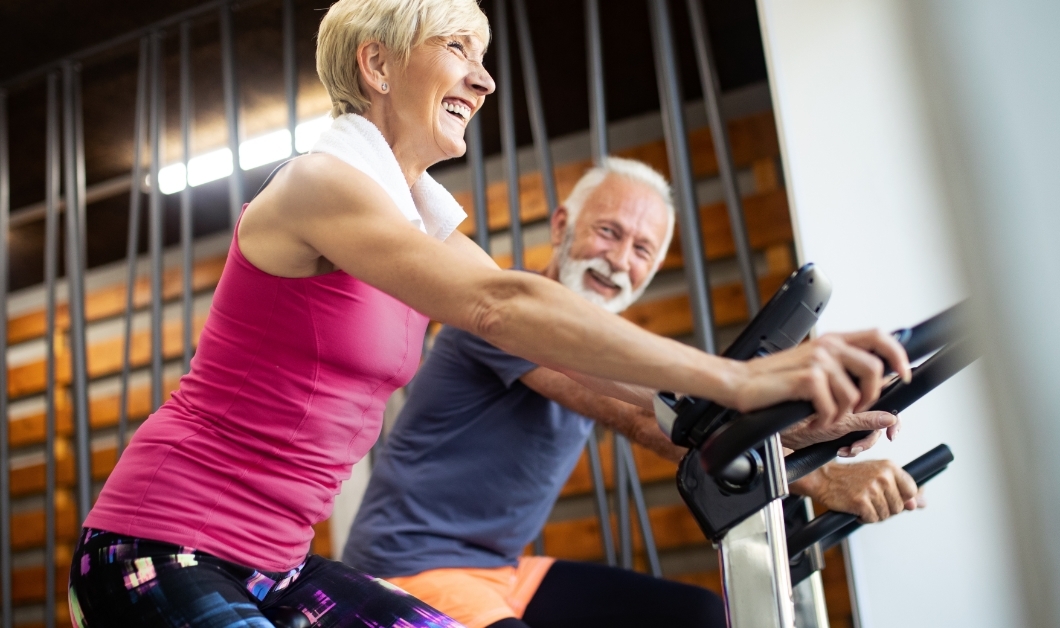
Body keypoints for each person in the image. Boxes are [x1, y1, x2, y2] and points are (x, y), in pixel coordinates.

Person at [67, 0, 911, 625]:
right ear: (379, 65)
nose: (485, 76)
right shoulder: (321, 185)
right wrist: (741, 373)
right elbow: (500, 303)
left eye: (486, 52)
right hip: (161, 544)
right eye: (459, 46)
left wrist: (770, 420)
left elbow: (564, 336)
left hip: (280, 563)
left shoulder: (419, 220)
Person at [340, 158, 925, 628]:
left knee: (701, 617)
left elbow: (681, 416)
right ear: (564, 226)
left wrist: (800, 430)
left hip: (501, 569)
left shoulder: (610, 347)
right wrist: (820, 480)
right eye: (608, 232)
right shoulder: (508, 310)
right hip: (409, 568)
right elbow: (647, 420)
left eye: (641, 249)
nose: (619, 260)